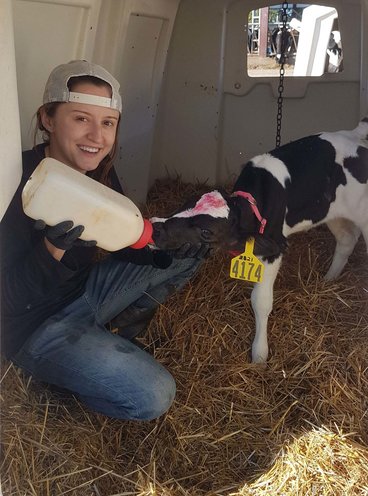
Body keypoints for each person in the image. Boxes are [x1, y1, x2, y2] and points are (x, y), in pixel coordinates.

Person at [1, 60, 209, 421]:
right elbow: (5, 302)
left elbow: (124, 238)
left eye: (107, 123)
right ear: (48, 120)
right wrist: (51, 252)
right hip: (34, 327)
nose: (97, 138)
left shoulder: (99, 174)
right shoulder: (14, 185)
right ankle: (69, 379)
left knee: (188, 252)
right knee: (154, 395)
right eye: (81, 118)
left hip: (84, 292)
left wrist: (161, 246)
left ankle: (119, 327)